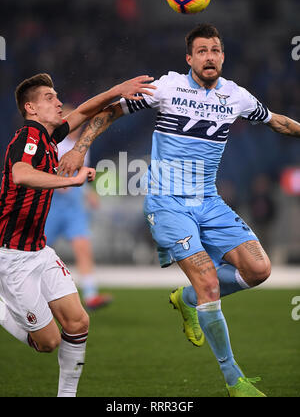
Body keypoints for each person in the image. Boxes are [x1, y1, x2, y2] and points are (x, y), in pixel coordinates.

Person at [57, 23, 300, 397]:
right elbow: (111, 112)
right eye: (202, 51)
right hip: (167, 203)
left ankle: (185, 300)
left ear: (222, 56)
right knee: (210, 284)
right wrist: (78, 146)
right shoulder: (168, 86)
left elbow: (277, 122)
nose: (210, 56)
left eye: (215, 50)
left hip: (209, 201)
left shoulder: (236, 96)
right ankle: (235, 380)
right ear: (189, 58)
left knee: (259, 269)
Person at [0, 72, 155, 397]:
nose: (58, 102)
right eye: (49, 98)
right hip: (10, 256)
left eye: (57, 96)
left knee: (78, 323)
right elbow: (21, 174)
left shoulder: (48, 137)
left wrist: (117, 90)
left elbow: (83, 112)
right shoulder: (27, 137)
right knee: (48, 343)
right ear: (30, 108)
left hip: (38, 251)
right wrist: (69, 180)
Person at [45, 115, 113, 310]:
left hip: (74, 207)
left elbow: (80, 174)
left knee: (83, 248)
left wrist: (88, 193)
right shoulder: (55, 144)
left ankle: (91, 296)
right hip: (53, 205)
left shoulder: (83, 146)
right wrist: (59, 182)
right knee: (37, 250)